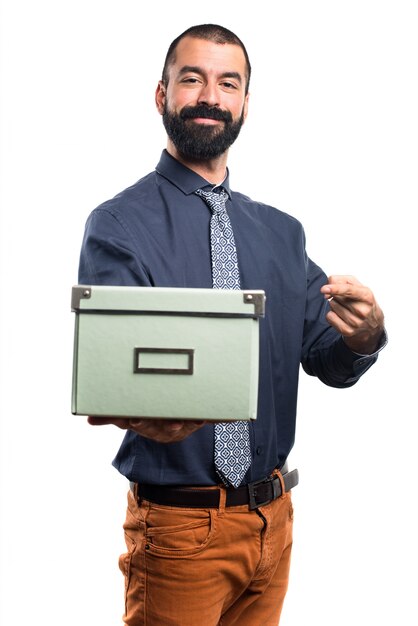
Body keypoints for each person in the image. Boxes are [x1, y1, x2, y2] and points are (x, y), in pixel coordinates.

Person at [77, 23, 386, 626]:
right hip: (180, 530)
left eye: (228, 83)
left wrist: (365, 335)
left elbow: (328, 358)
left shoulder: (282, 232)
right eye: (191, 78)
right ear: (162, 95)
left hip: (276, 520)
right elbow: (112, 373)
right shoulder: (118, 225)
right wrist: (142, 409)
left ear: (244, 102)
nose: (210, 96)